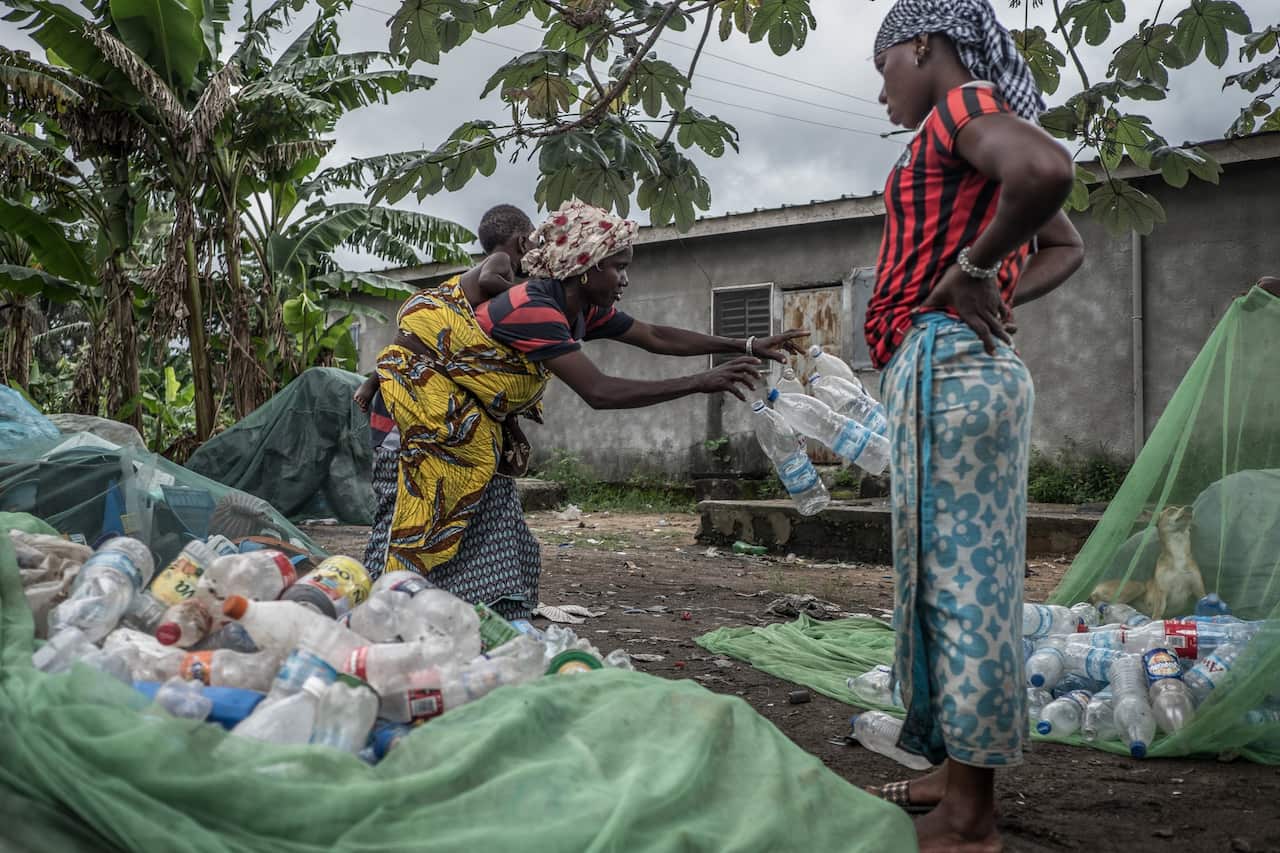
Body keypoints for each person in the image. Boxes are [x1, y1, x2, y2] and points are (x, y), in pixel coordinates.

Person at [864, 2, 1084, 851]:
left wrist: (972, 270)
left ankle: (970, 820)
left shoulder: (964, 109)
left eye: (884, 65)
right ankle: (955, 775)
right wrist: (985, 285)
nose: (881, 88)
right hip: (952, 362)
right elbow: (1066, 247)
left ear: (923, 45)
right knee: (942, 582)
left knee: (966, 593)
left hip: (953, 371)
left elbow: (1049, 171)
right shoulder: (969, 132)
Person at [374, 198, 807, 618]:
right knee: (423, 527)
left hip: (470, 427)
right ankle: (387, 610)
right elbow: (598, 391)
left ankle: (467, 615)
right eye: (619, 267)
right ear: (585, 267)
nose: (625, 279)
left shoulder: (582, 308)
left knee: (497, 531)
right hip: (424, 422)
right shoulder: (535, 308)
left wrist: (746, 344)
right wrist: (699, 381)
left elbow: (655, 335)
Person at [356, 203, 537, 578]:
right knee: (403, 502)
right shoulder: (501, 263)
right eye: (533, 244)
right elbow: (489, 284)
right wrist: (527, 295)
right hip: (412, 403)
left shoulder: (451, 302)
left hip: (403, 379)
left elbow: (418, 343)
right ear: (522, 240)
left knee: (414, 336)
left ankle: (399, 581)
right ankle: (386, 581)